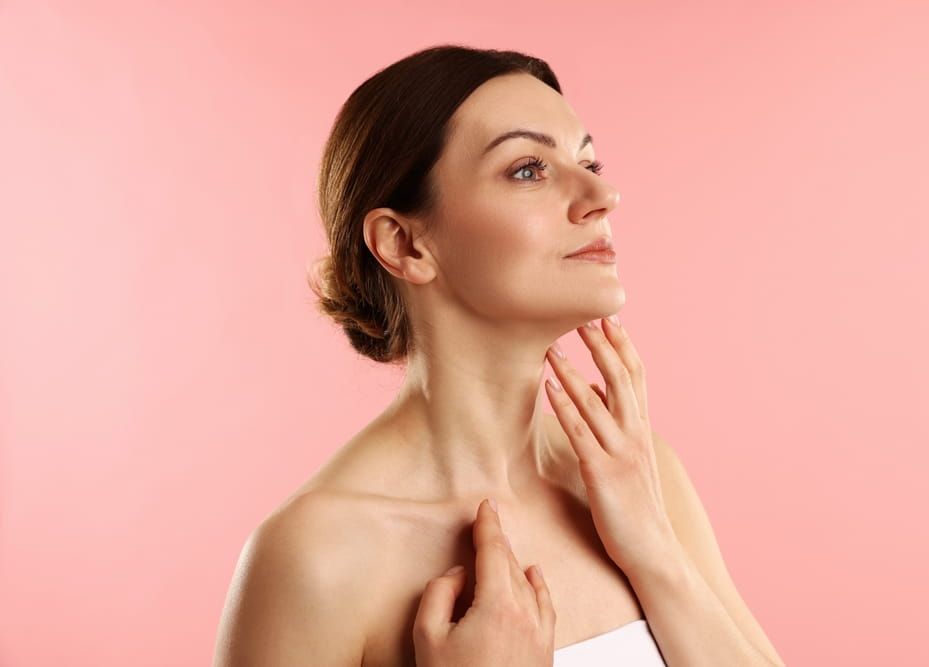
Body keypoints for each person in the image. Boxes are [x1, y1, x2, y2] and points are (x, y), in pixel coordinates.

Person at [213, 44, 780, 667]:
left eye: (589, 160)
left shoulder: (641, 478)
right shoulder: (318, 555)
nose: (602, 194)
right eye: (529, 169)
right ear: (404, 244)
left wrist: (655, 552)